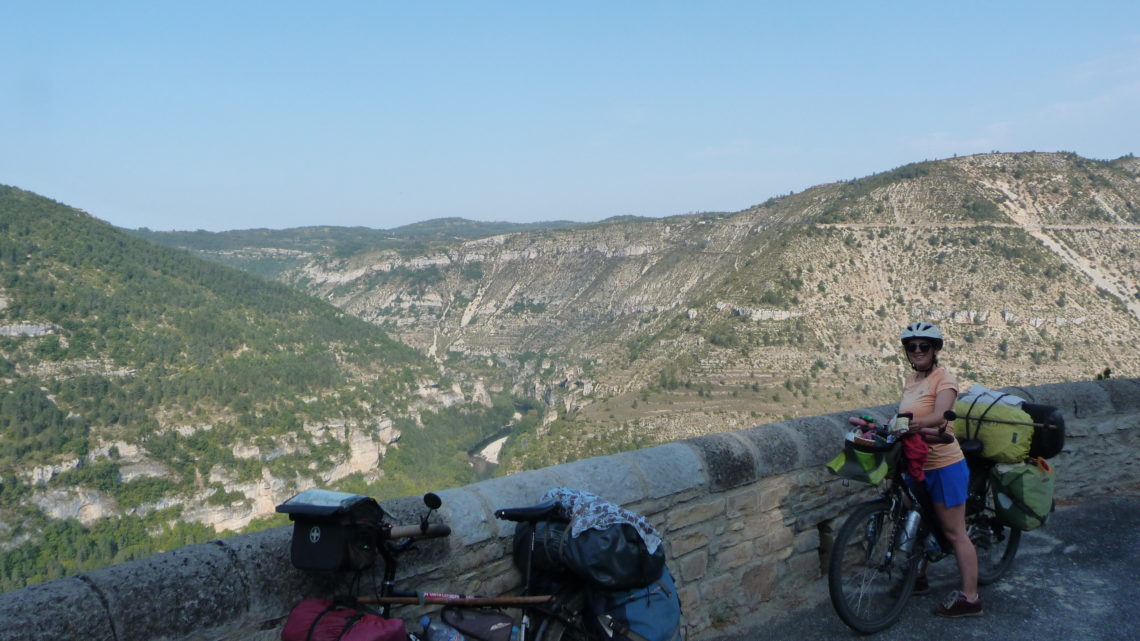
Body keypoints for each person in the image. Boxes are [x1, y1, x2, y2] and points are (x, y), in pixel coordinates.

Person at [897, 321, 982, 618]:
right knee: (918, 521)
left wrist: (915, 424)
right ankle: (917, 577)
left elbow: (939, 415)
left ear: (935, 350)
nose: (918, 351)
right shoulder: (910, 380)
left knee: (954, 530)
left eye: (924, 346)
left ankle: (970, 598)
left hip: (944, 464)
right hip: (917, 463)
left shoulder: (944, 379)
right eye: (912, 346)